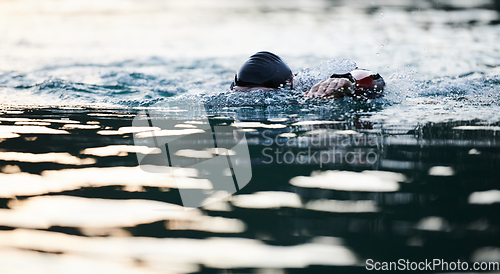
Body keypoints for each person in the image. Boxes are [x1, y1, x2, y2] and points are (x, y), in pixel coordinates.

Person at [230, 51, 385, 99]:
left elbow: (375, 79)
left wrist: (348, 82)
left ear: (287, 87)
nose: (250, 99)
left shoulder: (311, 85)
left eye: (259, 94)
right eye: (242, 93)